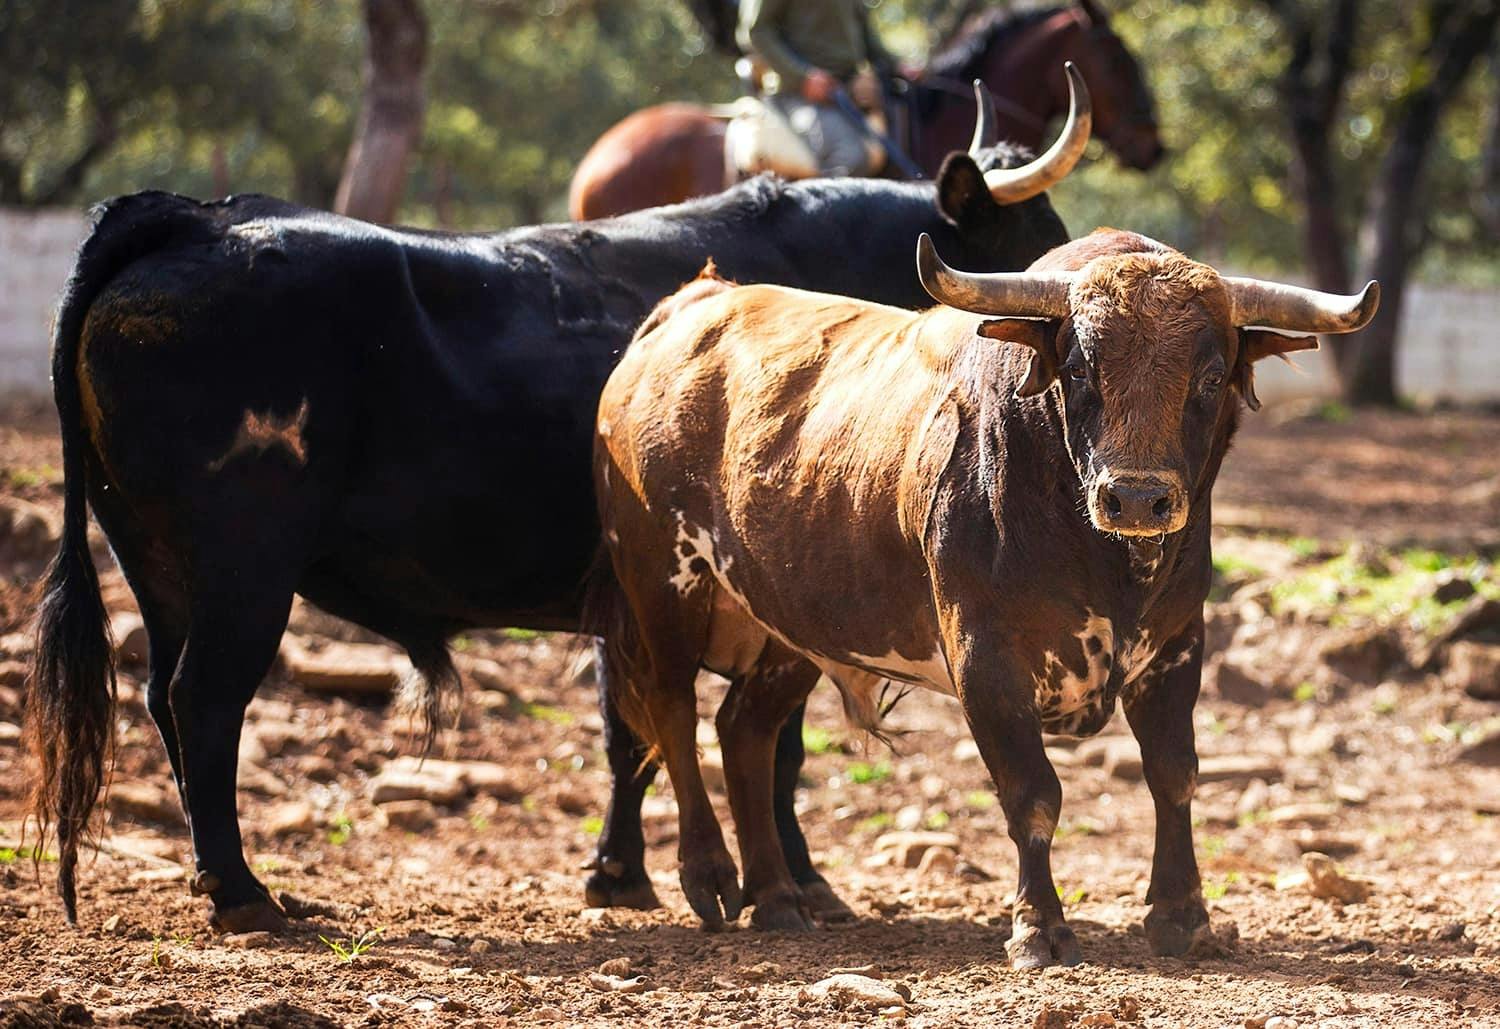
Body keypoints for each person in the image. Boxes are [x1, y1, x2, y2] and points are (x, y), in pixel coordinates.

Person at [737, 0, 900, 177]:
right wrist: (802, 78)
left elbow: (864, 33)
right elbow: (757, 32)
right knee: (851, 158)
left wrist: (899, 66)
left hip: (850, 91)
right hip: (796, 96)